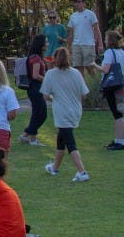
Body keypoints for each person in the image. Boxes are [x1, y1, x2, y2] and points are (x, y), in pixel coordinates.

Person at [40, 46, 90, 182]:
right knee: (61, 139)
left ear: (55, 59)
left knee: (70, 143)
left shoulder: (50, 74)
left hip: (62, 113)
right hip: (75, 111)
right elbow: (84, 94)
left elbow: (45, 96)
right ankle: (54, 167)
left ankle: (82, 172)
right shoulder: (76, 73)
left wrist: (55, 98)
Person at [96, 30, 124, 150]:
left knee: (117, 114)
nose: (104, 41)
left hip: (111, 86)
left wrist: (94, 65)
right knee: (120, 111)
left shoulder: (109, 53)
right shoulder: (121, 52)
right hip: (121, 83)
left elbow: (106, 70)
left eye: (106, 38)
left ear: (110, 40)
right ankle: (119, 139)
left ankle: (120, 141)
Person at [17, 35, 47, 146]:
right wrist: (47, 80)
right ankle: (29, 136)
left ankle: (28, 136)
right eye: (46, 42)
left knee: (37, 113)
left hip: (34, 88)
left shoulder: (34, 56)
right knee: (41, 114)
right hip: (35, 88)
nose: (47, 44)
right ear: (41, 44)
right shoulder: (36, 59)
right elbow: (35, 75)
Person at [67, 0, 102, 74]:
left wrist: (100, 44)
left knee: (89, 66)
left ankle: (94, 83)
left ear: (83, 3)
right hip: (76, 45)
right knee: (77, 67)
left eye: (78, 2)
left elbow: (97, 30)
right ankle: (82, 85)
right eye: (75, 2)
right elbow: (71, 34)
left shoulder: (90, 14)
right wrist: (69, 47)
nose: (76, 4)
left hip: (88, 44)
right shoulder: (73, 16)